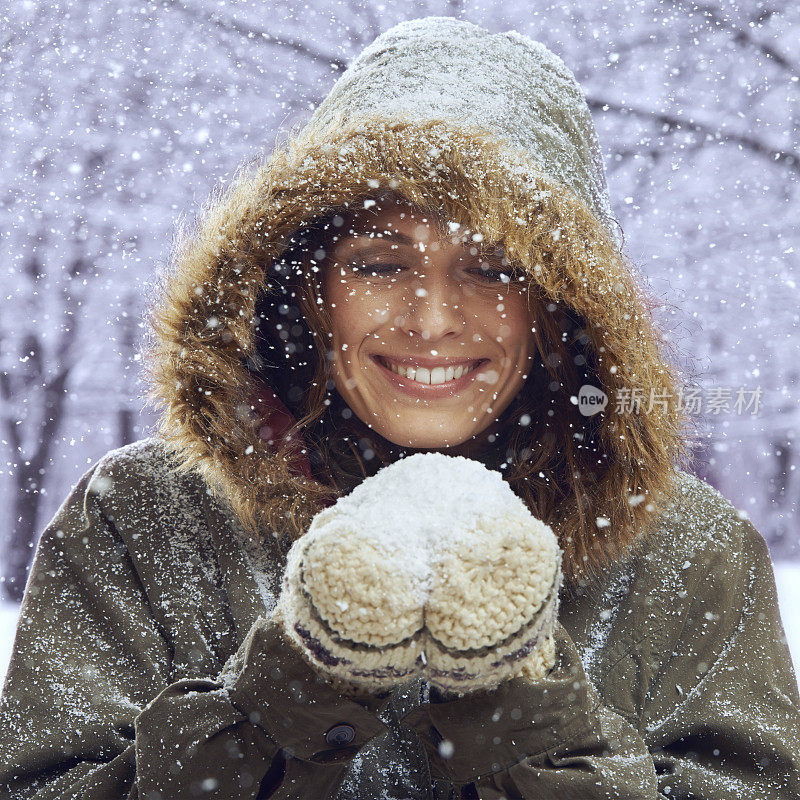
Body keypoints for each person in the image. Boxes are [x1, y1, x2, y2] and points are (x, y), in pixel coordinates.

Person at [1, 15, 798, 799]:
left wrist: (525, 710)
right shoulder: (145, 522)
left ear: (559, 305)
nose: (431, 318)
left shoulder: (690, 555)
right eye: (381, 264)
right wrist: (285, 693)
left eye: (492, 270)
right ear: (306, 286)